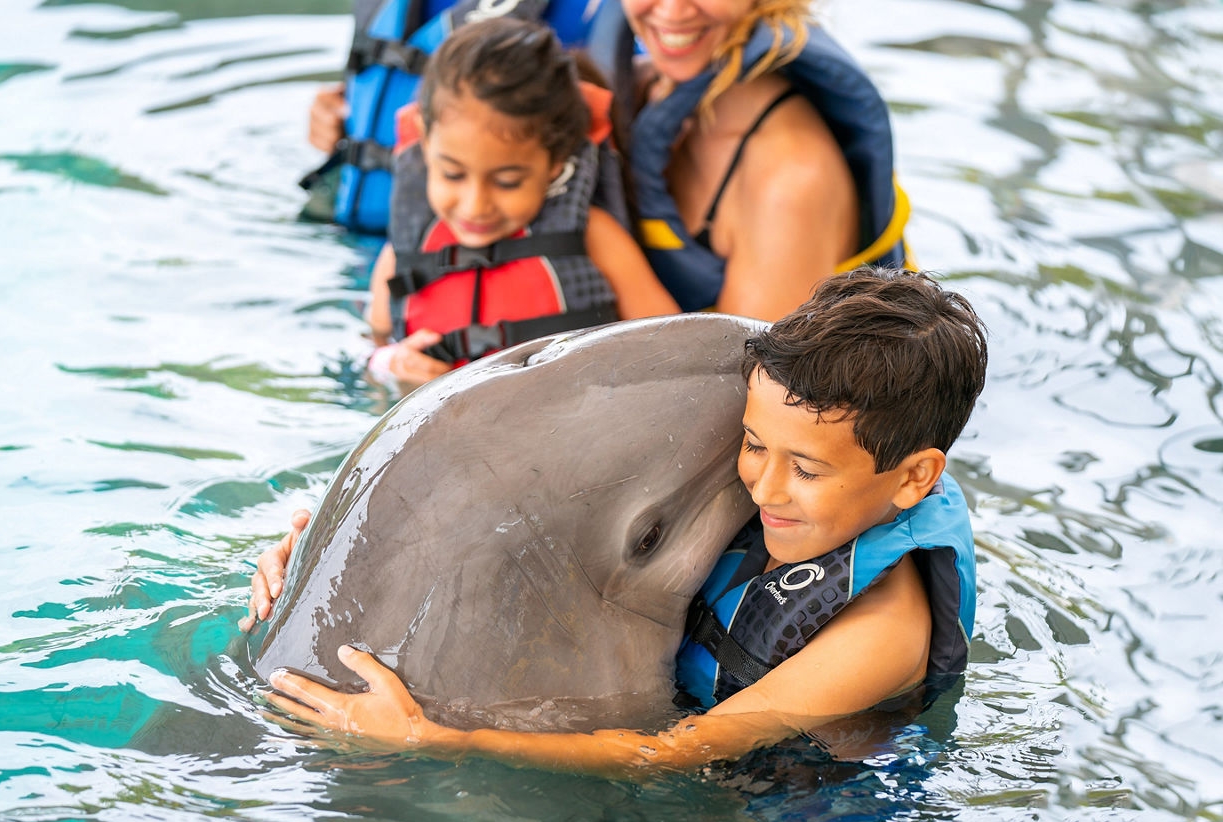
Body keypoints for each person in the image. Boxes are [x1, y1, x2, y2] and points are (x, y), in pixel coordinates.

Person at [241, 268, 988, 775]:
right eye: (752, 447)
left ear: (914, 476)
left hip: (792, 812)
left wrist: (437, 740)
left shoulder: (884, 629)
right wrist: (318, 559)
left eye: (806, 467)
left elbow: (679, 751)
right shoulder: (804, 505)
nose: (761, 482)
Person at [309, 0, 910, 321]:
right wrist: (352, 120)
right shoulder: (638, 87)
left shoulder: (788, 177)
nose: (672, 11)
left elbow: (751, 408)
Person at [362, 17, 678, 385]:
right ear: (425, 145)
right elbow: (373, 340)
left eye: (508, 182)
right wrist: (389, 364)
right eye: (452, 174)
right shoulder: (401, 254)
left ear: (555, 162)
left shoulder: (595, 238)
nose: (475, 206)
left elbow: (672, 351)